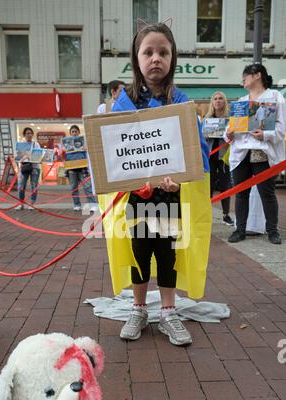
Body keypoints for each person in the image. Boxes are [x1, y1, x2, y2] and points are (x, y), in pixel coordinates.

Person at [98, 22, 211, 346]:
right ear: (137, 58)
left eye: (163, 52)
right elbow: (114, 152)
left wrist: (182, 182)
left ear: (172, 57)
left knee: (167, 255)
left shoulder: (182, 101)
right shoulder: (124, 102)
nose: (156, 58)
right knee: (139, 253)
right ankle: (138, 308)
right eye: (148, 52)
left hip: (170, 196)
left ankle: (168, 311)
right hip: (136, 198)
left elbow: (195, 153)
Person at [226, 63, 286, 245]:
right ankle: (240, 229)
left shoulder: (275, 97)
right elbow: (232, 128)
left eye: (246, 75)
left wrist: (265, 134)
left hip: (262, 151)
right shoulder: (242, 100)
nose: (243, 79)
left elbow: (281, 129)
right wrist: (227, 133)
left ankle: (272, 231)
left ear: (257, 75)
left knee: (266, 192)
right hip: (242, 152)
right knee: (241, 192)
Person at [204, 91, 234, 225]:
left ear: (225, 101)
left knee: (225, 186)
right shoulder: (207, 119)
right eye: (215, 99)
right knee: (208, 187)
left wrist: (230, 134)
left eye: (220, 98)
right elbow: (201, 139)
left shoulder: (230, 119)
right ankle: (206, 214)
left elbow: (234, 138)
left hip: (224, 157)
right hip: (210, 156)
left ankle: (226, 214)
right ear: (212, 102)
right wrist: (205, 136)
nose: (218, 101)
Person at [64, 125, 98, 212]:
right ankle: (77, 205)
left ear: (79, 132)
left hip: (82, 168)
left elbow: (90, 153)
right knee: (74, 187)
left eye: (76, 131)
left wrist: (85, 149)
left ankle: (93, 204)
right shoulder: (67, 144)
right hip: (72, 168)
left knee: (87, 186)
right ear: (70, 133)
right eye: (73, 132)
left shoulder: (84, 142)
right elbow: (65, 158)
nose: (74, 133)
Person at [15, 127, 41, 210]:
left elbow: (39, 155)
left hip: (35, 167)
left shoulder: (36, 144)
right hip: (24, 167)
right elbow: (19, 156)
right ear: (24, 135)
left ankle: (32, 203)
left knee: (34, 185)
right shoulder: (20, 145)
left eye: (31, 133)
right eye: (27, 133)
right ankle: (21, 203)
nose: (29, 135)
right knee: (21, 186)